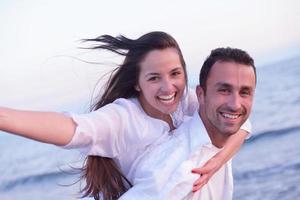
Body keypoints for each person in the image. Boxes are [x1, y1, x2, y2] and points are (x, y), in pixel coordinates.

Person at [0, 32, 250, 200]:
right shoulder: (123, 118)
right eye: (154, 78)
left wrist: (218, 160)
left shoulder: (189, 101)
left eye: (175, 74)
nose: (168, 88)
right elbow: (73, 128)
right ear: (138, 83)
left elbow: (242, 123)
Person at [119, 47, 257, 200]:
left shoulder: (217, 136)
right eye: (224, 90)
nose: (235, 104)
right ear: (200, 95)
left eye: (245, 92)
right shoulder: (181, 167)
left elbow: (245, 125)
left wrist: (221, 158)